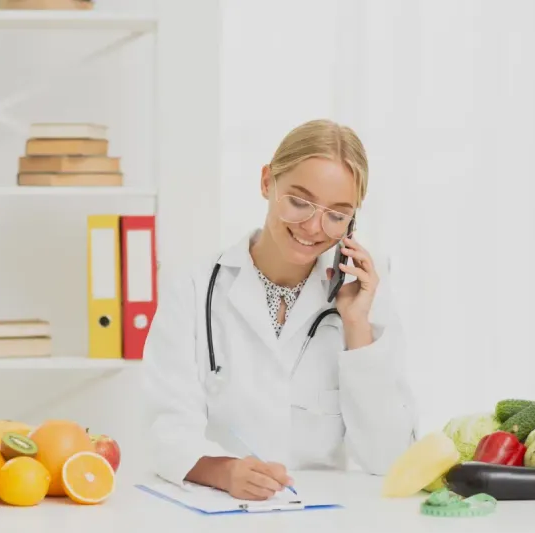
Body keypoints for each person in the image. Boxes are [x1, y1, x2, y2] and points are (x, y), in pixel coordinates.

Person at [141, 119, 418, 501]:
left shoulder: (364, 296)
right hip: (221, 511)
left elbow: (389, 456)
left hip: (325, 515)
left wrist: (357, 326)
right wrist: (226, 472)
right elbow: (165, 428)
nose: (313, 227)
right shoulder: (193, 287)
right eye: (299, 202)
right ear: (267, 182)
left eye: (337, 215)